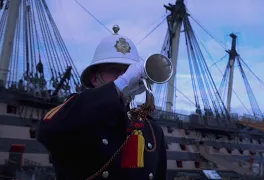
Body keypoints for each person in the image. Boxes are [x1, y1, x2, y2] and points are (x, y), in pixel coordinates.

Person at [36, 25, 167, 180]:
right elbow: (47, 130)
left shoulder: (152, 130)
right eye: (114, 70)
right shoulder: (73, 116)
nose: (127, 77)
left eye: (128, 71)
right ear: (93, 78)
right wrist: (119, 86)